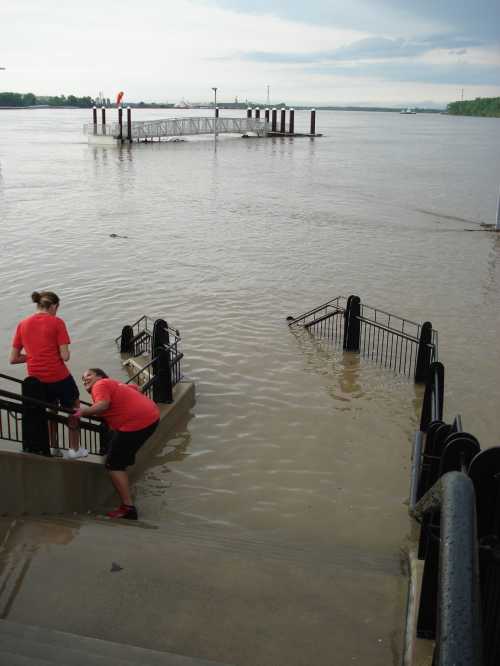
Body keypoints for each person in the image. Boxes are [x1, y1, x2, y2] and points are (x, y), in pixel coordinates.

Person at [72, 368, 160, 520]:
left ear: (100, 376)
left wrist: (81, 412)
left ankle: (128, 508)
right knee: (118, 451)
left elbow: (103, 405)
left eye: (88, 375)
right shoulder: (114, 384)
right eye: (82, 378)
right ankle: (124, 467)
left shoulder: (100, 385)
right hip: (151, 416)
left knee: (113, 465)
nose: (85, 379)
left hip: (137, 423)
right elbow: (136, 388)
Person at [9, 290, 87, 459]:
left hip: (36, 380)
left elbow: (13, 359)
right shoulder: (57, 322)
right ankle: (74, 449)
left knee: (52, 411)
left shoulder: (22, 324)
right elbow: (65, 356)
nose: (57, 311)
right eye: (57, 308)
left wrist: (33, 356)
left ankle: (54, 447)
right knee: (74, 408)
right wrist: (53, 353)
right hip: (58, 376)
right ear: (53, 306)